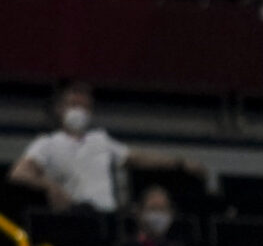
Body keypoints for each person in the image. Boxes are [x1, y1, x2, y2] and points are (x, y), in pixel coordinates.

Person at [10, 83, 197, 214]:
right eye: (74, 105)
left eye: (84, 106)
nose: (79, 111)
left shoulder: (100, 139)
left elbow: (137, 157)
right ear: (60, 108)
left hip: (107, 214)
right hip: (75, 215)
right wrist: (50, 186)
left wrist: (179, 162)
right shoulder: (47, 143)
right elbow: (19, 173)